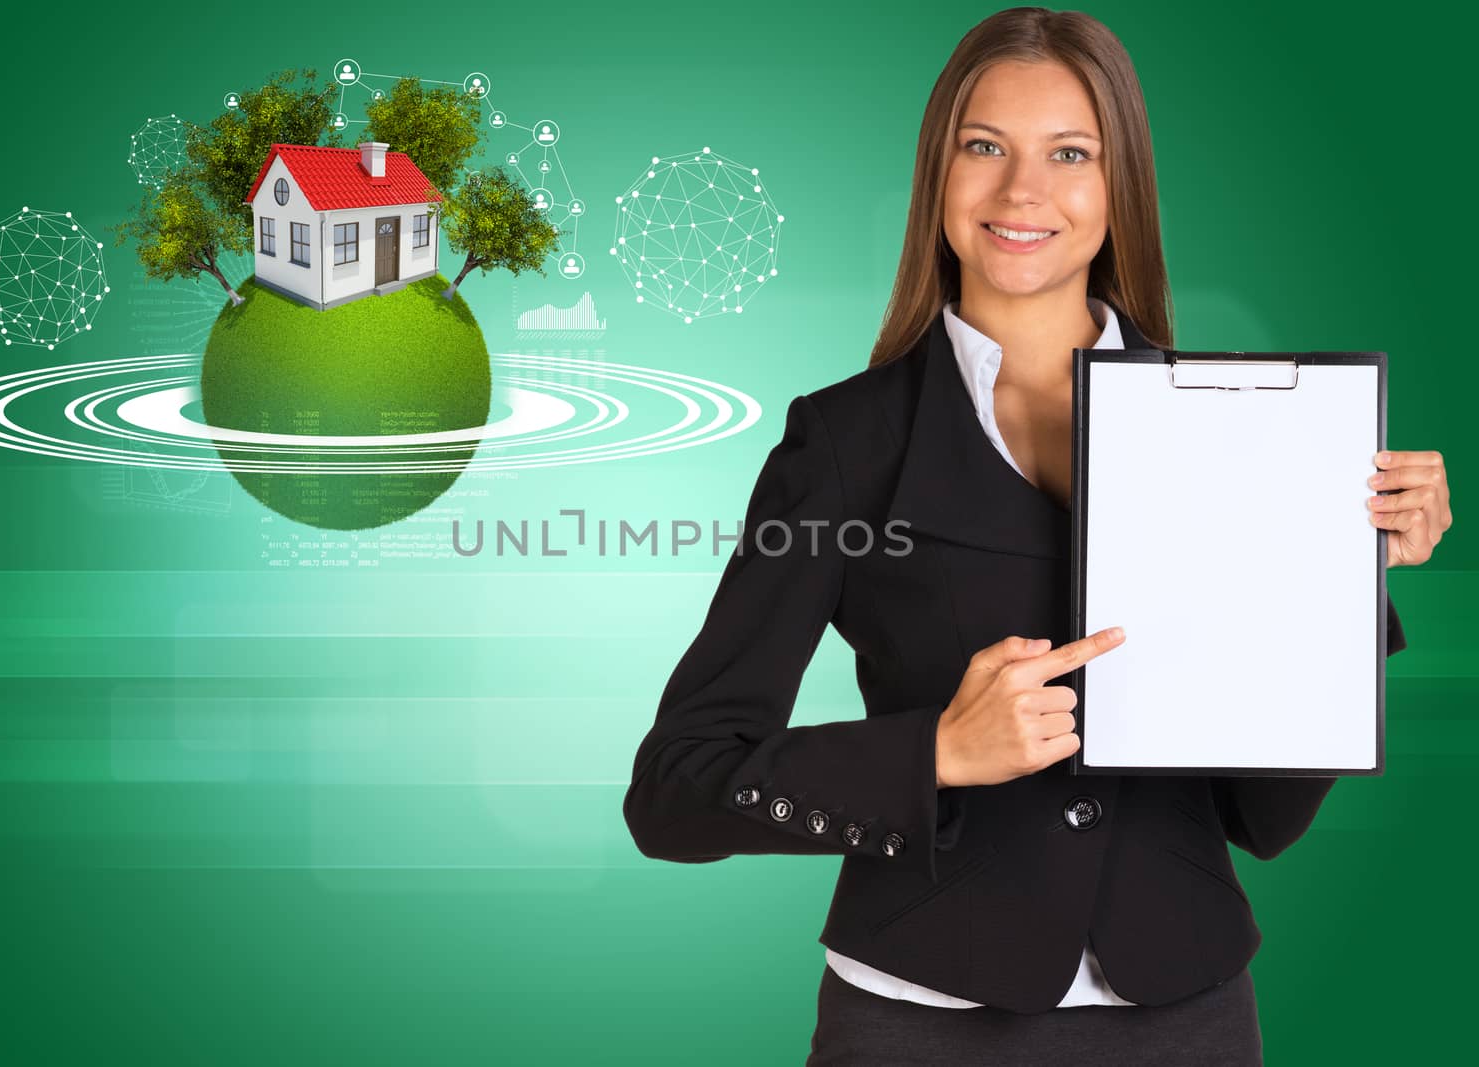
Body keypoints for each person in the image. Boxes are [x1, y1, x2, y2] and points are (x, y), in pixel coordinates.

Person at [621, 6, 1452, 1065]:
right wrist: (936, 752)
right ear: (939, 174)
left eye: (1069, 152)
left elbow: (1265, 815)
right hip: (915, 1022)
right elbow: (676, 791)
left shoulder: (1249, 432)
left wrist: (1345, 574)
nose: (1022, 190)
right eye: (985, 147)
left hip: (1187, 1018)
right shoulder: (843, 443)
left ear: (1120, 188)